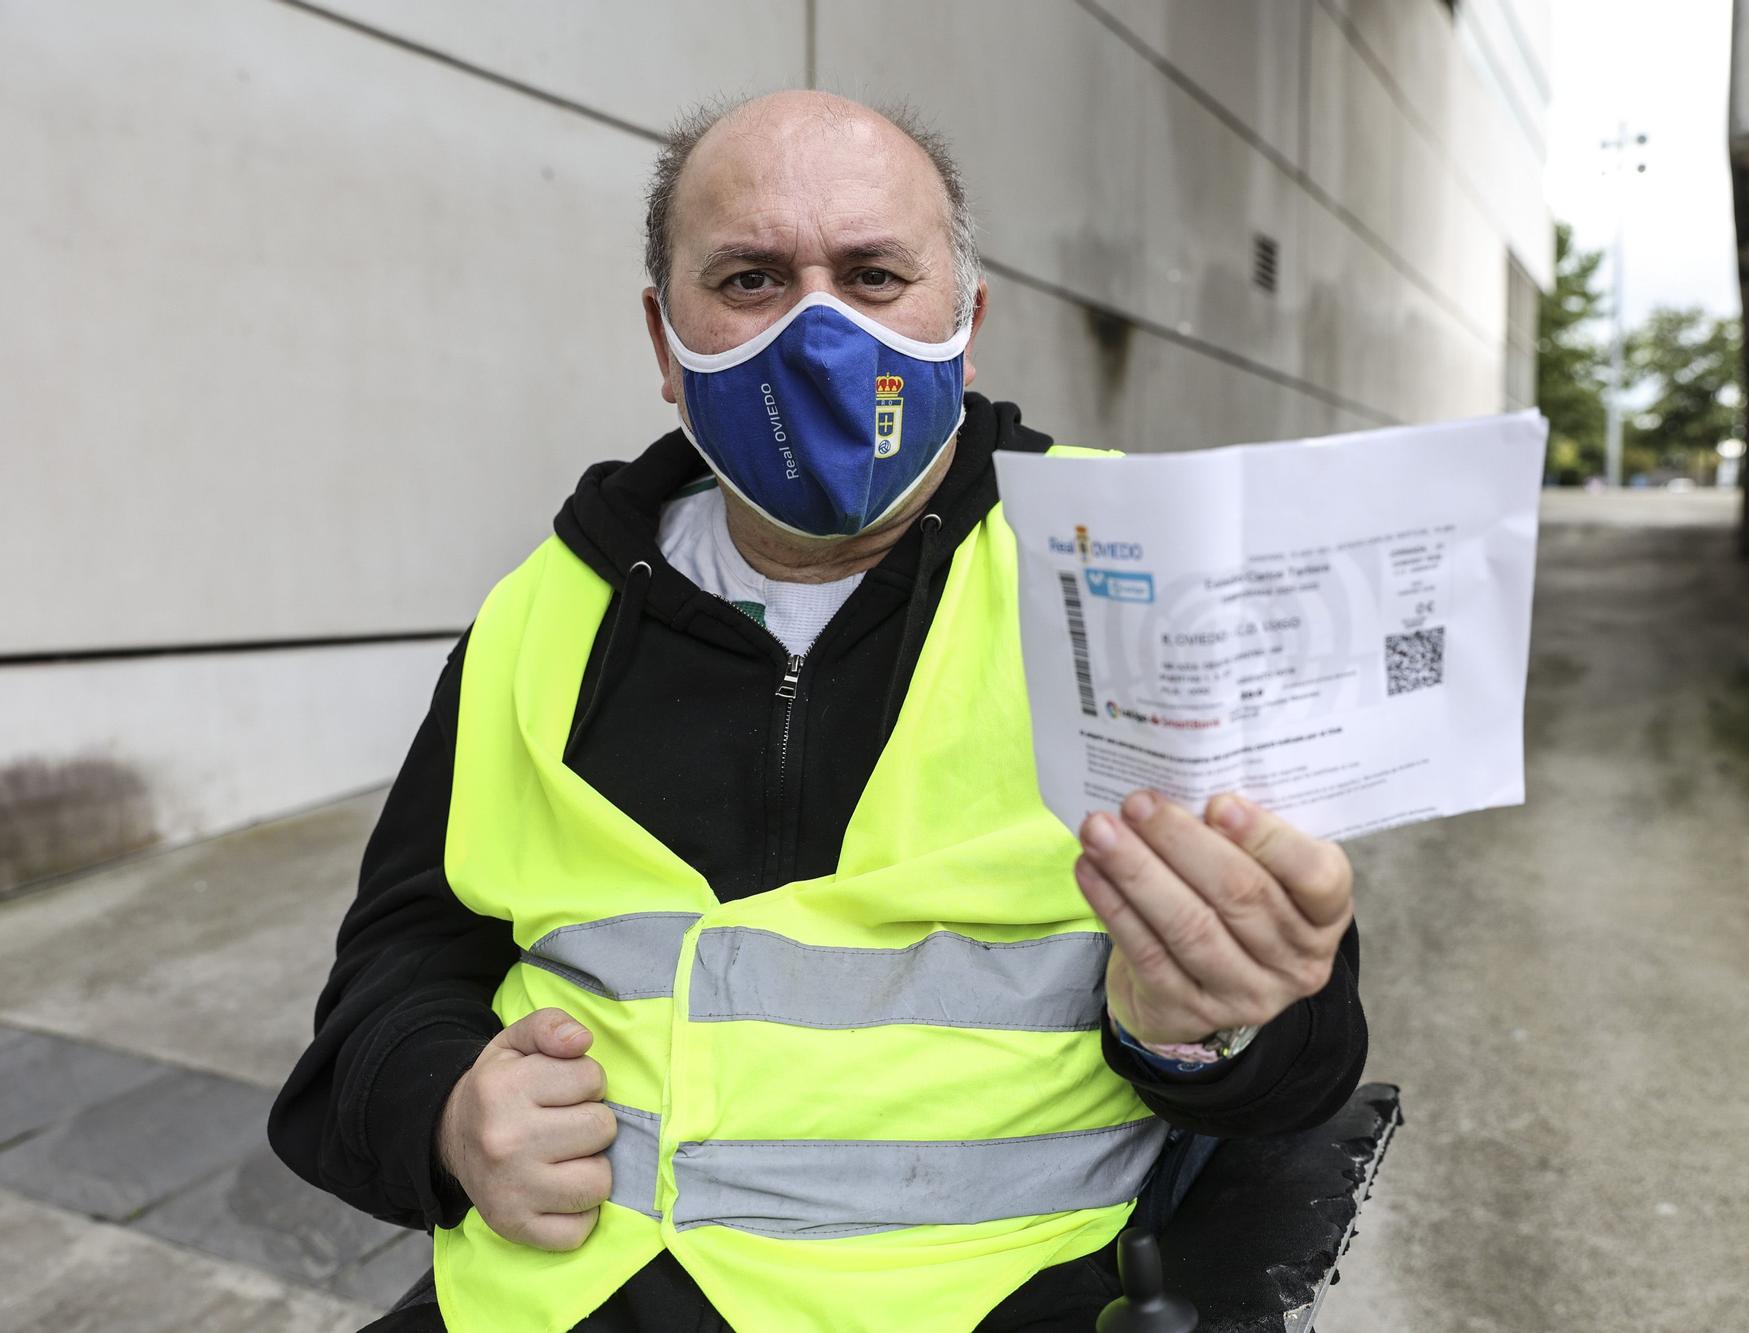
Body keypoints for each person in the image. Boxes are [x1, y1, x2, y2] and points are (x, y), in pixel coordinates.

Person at [270, 90, 1366, 1333]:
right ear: (663, 338)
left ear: (966, 319)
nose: (819, 333)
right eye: (748, 278)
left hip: (982, 1303)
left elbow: (1301, 1051)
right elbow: (400, 964)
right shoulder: (544, 611)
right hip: (563, 1302)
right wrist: (445, 1109)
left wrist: (1203, 1033)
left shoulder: (1130, 576)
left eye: (873, 274)